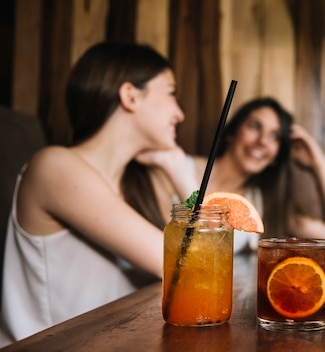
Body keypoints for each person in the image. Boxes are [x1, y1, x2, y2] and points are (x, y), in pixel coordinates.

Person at [0, 42, 191, 346]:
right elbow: (186, 264)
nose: (179, 114)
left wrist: (174, 169)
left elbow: (216, 260)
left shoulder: (134, 188)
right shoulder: (54, 167)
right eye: (170, 92)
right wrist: (181, 170)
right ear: (130, 95)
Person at [136, 97, 325, 253]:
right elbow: (182, 249)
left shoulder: (264, 204)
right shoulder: (170, 164)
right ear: (232, 133)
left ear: (276, 155)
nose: (262, 141)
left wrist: (318, 164)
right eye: (255, 126)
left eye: (274, 137)